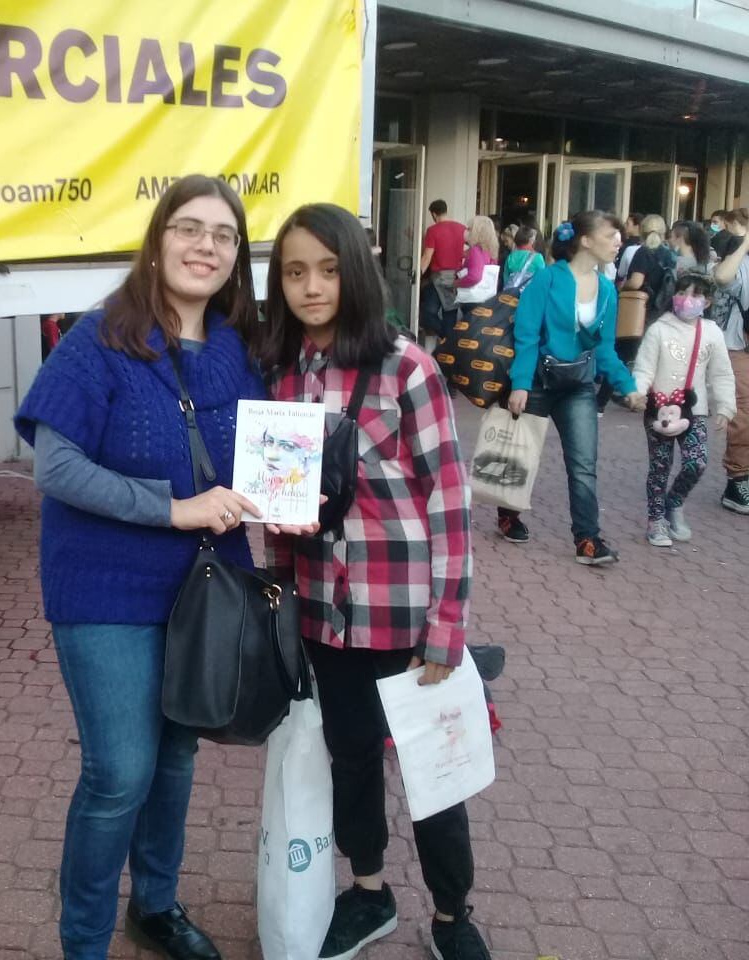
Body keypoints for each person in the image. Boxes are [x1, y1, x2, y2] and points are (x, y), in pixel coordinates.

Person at [13, 174, 266, 960]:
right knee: (120, 771)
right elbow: (55, 468)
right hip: (105, 587)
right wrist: (173, 508)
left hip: (205, 586)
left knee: (178, 755)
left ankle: (155, 906)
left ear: (236, 257)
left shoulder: (237, 349)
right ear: (157, 243)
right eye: (190, 229)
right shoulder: (99, 339)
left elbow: (262, 458)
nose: (206, 246)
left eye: (224, 236)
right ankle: (83, 939)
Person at [255, 203, 490, 960]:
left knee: (433, 778)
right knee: (351, 759)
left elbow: (450, 503)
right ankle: (369, 892)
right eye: (294, 271)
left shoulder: (406, 367)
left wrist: (447, 629)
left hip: (408, 616)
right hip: (327, 614)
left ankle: (454, 916)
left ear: (353, 269)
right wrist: (281, 598)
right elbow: (279, 507)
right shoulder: (282, 376)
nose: (311, 286)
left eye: (326, 268)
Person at [502, 212, 645, 563]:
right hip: (537, 381)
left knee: (583, 464)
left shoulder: (608, 289)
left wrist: (627, 387)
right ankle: (508, 514)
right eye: (611, 235)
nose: (618, 242)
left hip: (578, 385)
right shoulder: (547, 280)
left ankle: (587, 539)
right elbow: (526, 335)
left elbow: (605, 348)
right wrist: (520, 384)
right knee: (522, 457)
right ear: (585, 240)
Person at [631, 274, 736, 546]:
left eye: (695, 294)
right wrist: (637, 392)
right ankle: (656, 521)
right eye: (682, 292)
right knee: (660, 466)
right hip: (659, 411)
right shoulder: (659, 329)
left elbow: (722, 373)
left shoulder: (711, 332)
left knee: (696, 462)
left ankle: (674, 503)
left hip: (694, 411)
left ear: (707, 301)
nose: (687, 299)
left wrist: (725, 406)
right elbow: (644, 367)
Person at [712, 221, 749, 513]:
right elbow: (722, 276)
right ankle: (737, 480)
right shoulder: (742, 265)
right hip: (739, 347)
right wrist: (746, 243)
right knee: (743, 412)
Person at [420, 199, 468, 348]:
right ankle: (448, 345)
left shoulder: (433, 230)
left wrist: (417, 275)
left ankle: (445, 337)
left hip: (438, 278)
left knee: (427, 313)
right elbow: (468, 251)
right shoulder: (462, 228)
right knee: (450, 315)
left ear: (434, 214)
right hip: (456, 278)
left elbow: (427, 256)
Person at [455, 217, 500, 304]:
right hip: (486, 296)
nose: (466, 231)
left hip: (472, 298)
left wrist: (456, 283)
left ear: (476, 232)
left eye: (469, 229)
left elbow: (474, 277)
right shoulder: (491, 249)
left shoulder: (476, 250)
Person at [502, 226, 545, 291]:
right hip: (529, 295)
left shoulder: (510, 257)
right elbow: (542, 280)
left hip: (511, 297)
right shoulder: (537, 258)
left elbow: (506, 279)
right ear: (531, 241)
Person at [616, 212, 643, 282]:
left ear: (636, 226)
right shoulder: (625, 242)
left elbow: (619, 270)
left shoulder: (628, 246)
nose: (624, 225)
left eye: (627, 224)